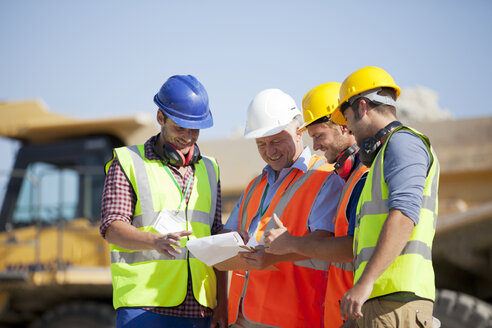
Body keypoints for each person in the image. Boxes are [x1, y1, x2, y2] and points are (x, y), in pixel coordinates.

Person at [99, 75, 227, 328]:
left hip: (200, 308)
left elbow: (215, 238)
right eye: (181, 127)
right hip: (144, 306)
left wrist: (223, 302)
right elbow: (112, 227)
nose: (189, 137)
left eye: (195, 129)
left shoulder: (210, 169)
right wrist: (154, 241)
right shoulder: (128, 163)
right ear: (161, 118)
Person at [222, 88, 345, 328]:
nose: (270, 151)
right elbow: (231, 233)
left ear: (299, 132)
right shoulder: (255, 185)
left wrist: (271, 256)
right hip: (241, 314)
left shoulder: (325, 177)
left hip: (292, 316)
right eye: (261, 144)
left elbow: (324, 241)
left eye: (277, 140)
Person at [332, 66, 440, 327]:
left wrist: (365, 282)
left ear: (362, 107)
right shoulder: (384, 154)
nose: (348, 129)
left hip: (396, 299)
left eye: (347, 117)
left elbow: (404, 215)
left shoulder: (403, 144)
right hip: (386, 300)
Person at [263, 82, 368, 328]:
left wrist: (290, 243)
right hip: (343, 312)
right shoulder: (348, 177)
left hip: (360, 311)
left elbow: (352, 248)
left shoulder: (363, 176)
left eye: (319, 136)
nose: (316, 146)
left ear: (345, 126)